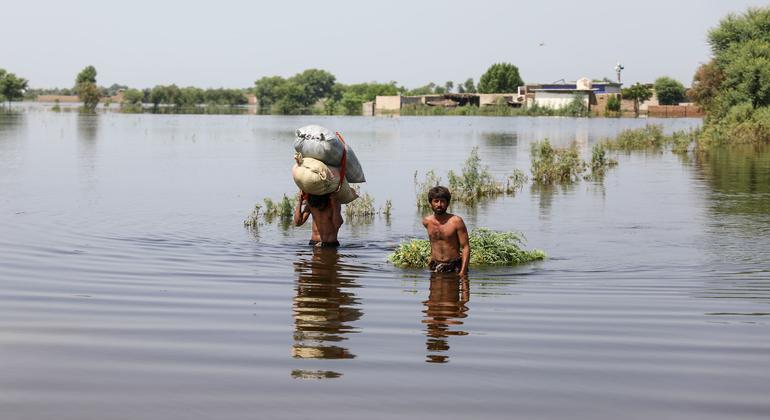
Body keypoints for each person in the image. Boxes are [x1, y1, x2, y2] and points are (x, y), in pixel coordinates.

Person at [422, 186, 470, 276]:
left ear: (448, 203)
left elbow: (465, 247)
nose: (439, 204)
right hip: (435, 266)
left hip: (454, 266)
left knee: (451, 289)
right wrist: (430, 259)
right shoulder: (427, 222)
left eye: (442, 201)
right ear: (430, 203)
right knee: (434, 290)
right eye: (436, 201)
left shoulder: (456, 221)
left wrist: (463, 272)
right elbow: (433, 242)